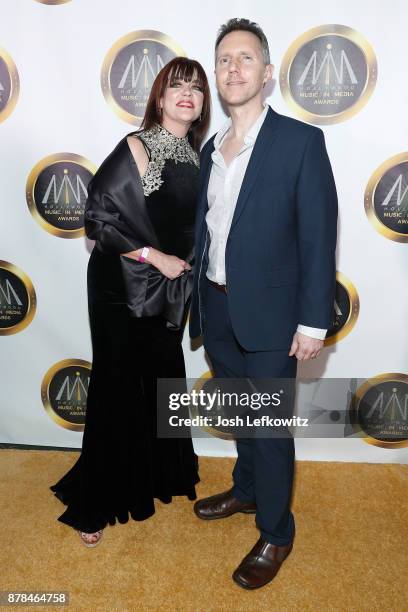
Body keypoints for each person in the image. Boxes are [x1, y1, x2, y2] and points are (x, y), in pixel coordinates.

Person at [189, 19, 338, 589]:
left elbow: (318, 236)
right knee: (241, 414)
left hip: (275, 318)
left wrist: (312, 320)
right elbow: (210, 231)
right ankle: (248, 491)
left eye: (245, 58)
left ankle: (277, 530)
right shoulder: (211, 149)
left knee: (270, 426)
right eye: (224, 59)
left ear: (267, 73)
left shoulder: (300, 141)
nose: (233, 68)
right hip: (218, 308)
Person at [51, 57, 211, 547]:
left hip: (166, 287)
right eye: (176, 86)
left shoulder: (198, 155)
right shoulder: (138, 146)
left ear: (204, 103)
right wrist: (155, 257)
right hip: (120, 284)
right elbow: (97, 218)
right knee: (119, 384)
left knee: (161, 378)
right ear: (159, 98)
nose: (187, 93)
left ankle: (157, 476)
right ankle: (93, 503)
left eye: (196, 88)